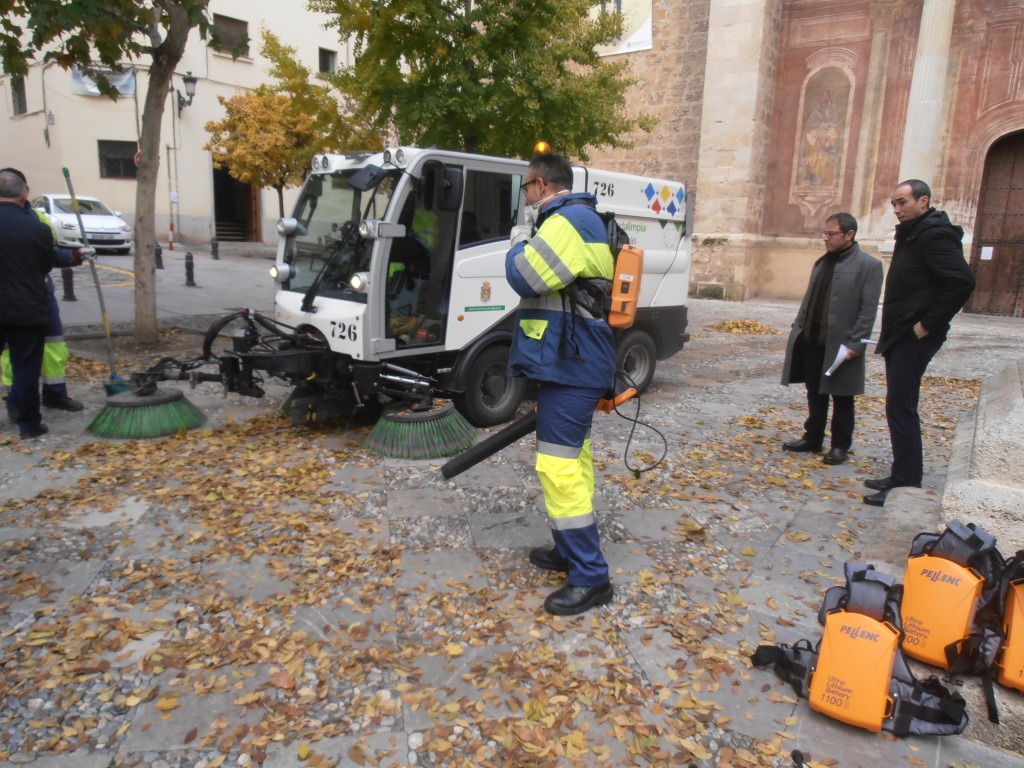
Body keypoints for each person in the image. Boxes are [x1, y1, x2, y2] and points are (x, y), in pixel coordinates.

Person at [506, 151, 616, 616]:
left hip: (575, 365)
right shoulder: (573, 219)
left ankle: (591, 577)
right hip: (572, 363)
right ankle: (569, 550)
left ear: (541, 185)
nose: (525, 197)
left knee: (557, 467)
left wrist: (517, 239)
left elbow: (523, 275)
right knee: (575, 459)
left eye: (525, 189)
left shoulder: (566, 221)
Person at [863, 180, 975, 507]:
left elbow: (961, 282)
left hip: (913, 334)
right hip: (900, 331)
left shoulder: (933, 235)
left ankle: (907, 481)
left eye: (902, 203)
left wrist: (927, 325)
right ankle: (902, 474)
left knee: (901, 407)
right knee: (898, 405)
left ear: (922, 201)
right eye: (894, 204)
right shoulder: (914, 231)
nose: (896, 210)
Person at [781, 213, 883, 465]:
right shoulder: (822, 262)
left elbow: (868, 310)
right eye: (824, 233)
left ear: (849, 235)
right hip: (813, 340)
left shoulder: (869, 265)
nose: (825, 238)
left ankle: (840, 446)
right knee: (814, 391)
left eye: (831, 233)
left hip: (842, 345)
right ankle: (812, 438)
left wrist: (857, 343)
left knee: (843, 396)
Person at [1, 168, 86, 417]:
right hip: (26, 299)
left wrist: (75, 255)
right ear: (24, 191)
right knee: (18, 358)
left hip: (38, 296)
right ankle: (18, 404)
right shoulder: (34, 225)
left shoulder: (39, 220)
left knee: (53, 346)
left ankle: (54, 394)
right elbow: (46, 258)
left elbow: (49, 255)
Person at [0, 168, 61, 438]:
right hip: (25, 306)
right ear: (25, 192)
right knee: (26, 367)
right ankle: (29, 424)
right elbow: (45, 264)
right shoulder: (37, 228)